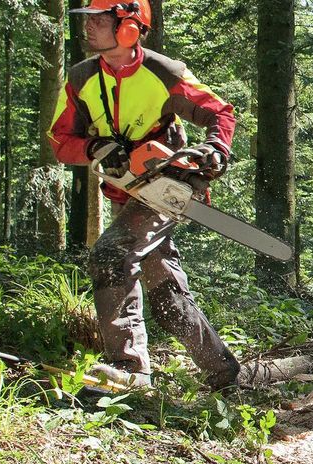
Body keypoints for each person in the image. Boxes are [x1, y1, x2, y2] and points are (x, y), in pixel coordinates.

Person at [49, 0, 240, 390]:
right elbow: (60, 138)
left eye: (100, 21)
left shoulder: (164, 72)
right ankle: (221, 370)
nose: (89, 28)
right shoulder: (81, 77)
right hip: (124, 188)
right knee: (166, 291)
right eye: (88, 21)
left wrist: (216, 149)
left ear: (130, 27)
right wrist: (94, 149)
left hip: (165, 185)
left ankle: (130, 369)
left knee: (110, 254)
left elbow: (220, 112)